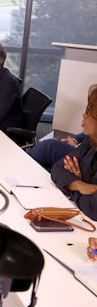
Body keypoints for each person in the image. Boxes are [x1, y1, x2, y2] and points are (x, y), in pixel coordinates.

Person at [51, 87, 97, 221]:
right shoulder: (90, 140)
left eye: (89, 111)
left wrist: (71, 186)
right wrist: (79, 184)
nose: (83, 115)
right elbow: (58, 168)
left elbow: (93, 208)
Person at [28, 84, 97, 170]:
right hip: (83, 151)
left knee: (49, 148)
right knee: (49, 151)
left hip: (87, 158)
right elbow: (86, 135)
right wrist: (75, 140)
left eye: (89, 112)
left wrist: (77, 182)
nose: (84, 115)